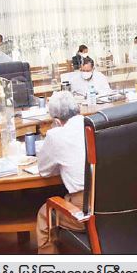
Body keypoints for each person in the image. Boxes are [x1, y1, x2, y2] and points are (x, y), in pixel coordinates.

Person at [35, 91, 85, 254]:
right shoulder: (96, 125)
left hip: (86, 211)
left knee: (45, 214)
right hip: (117, 202)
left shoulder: (56, 134)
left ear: (56, 121)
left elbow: (44, 171)